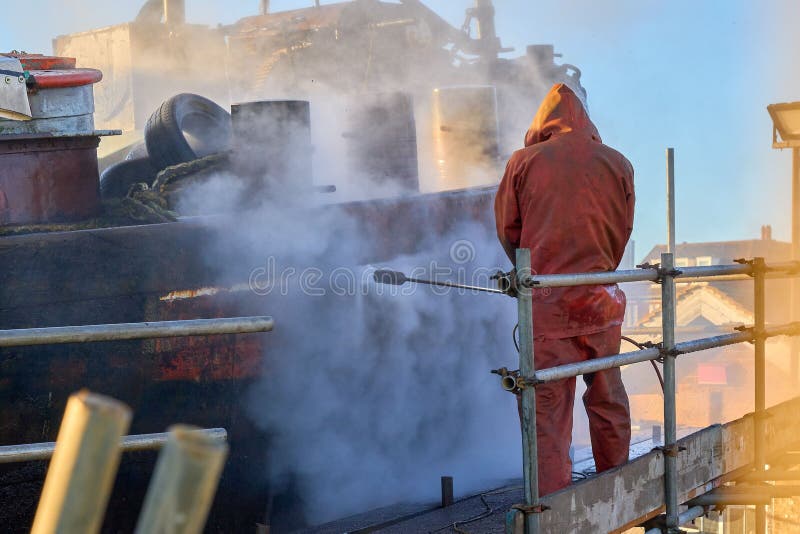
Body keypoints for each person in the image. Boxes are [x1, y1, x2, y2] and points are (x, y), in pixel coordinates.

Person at [494, 83, 635, 495]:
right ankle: (618, 487)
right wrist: (597, 270)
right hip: (600, 300)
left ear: (543, 122)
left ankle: (551, 506)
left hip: (547, 304)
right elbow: (622, 231)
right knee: (607, 395)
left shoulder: (524, 162)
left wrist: (533, 274)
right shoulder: (619, 164)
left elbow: (509, 230)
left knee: (548, 408)